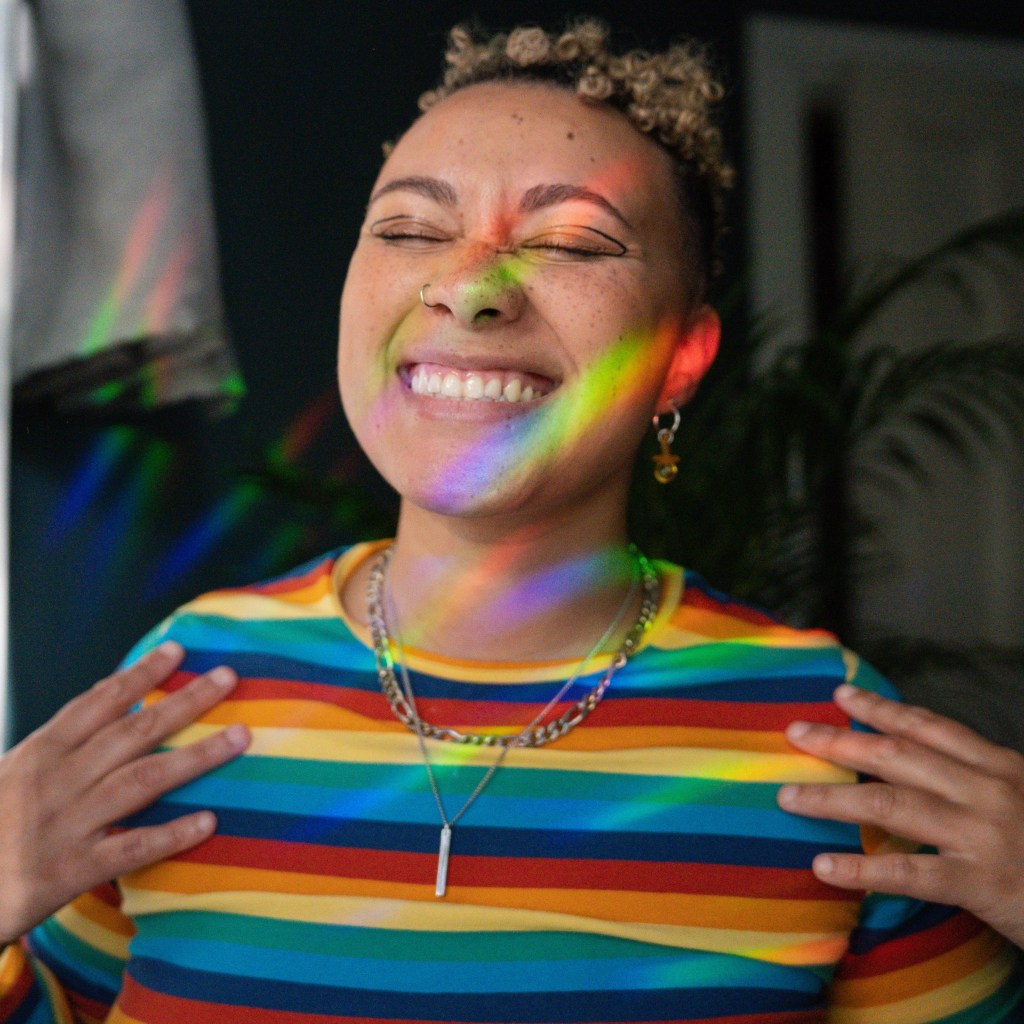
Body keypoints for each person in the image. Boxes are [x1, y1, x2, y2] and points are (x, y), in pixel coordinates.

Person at [2, 18, 1023, 1023]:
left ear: (682, 358)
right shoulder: (183, 686)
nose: (471, 287)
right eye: (410, 229)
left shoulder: (836, 739)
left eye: (572, 242)